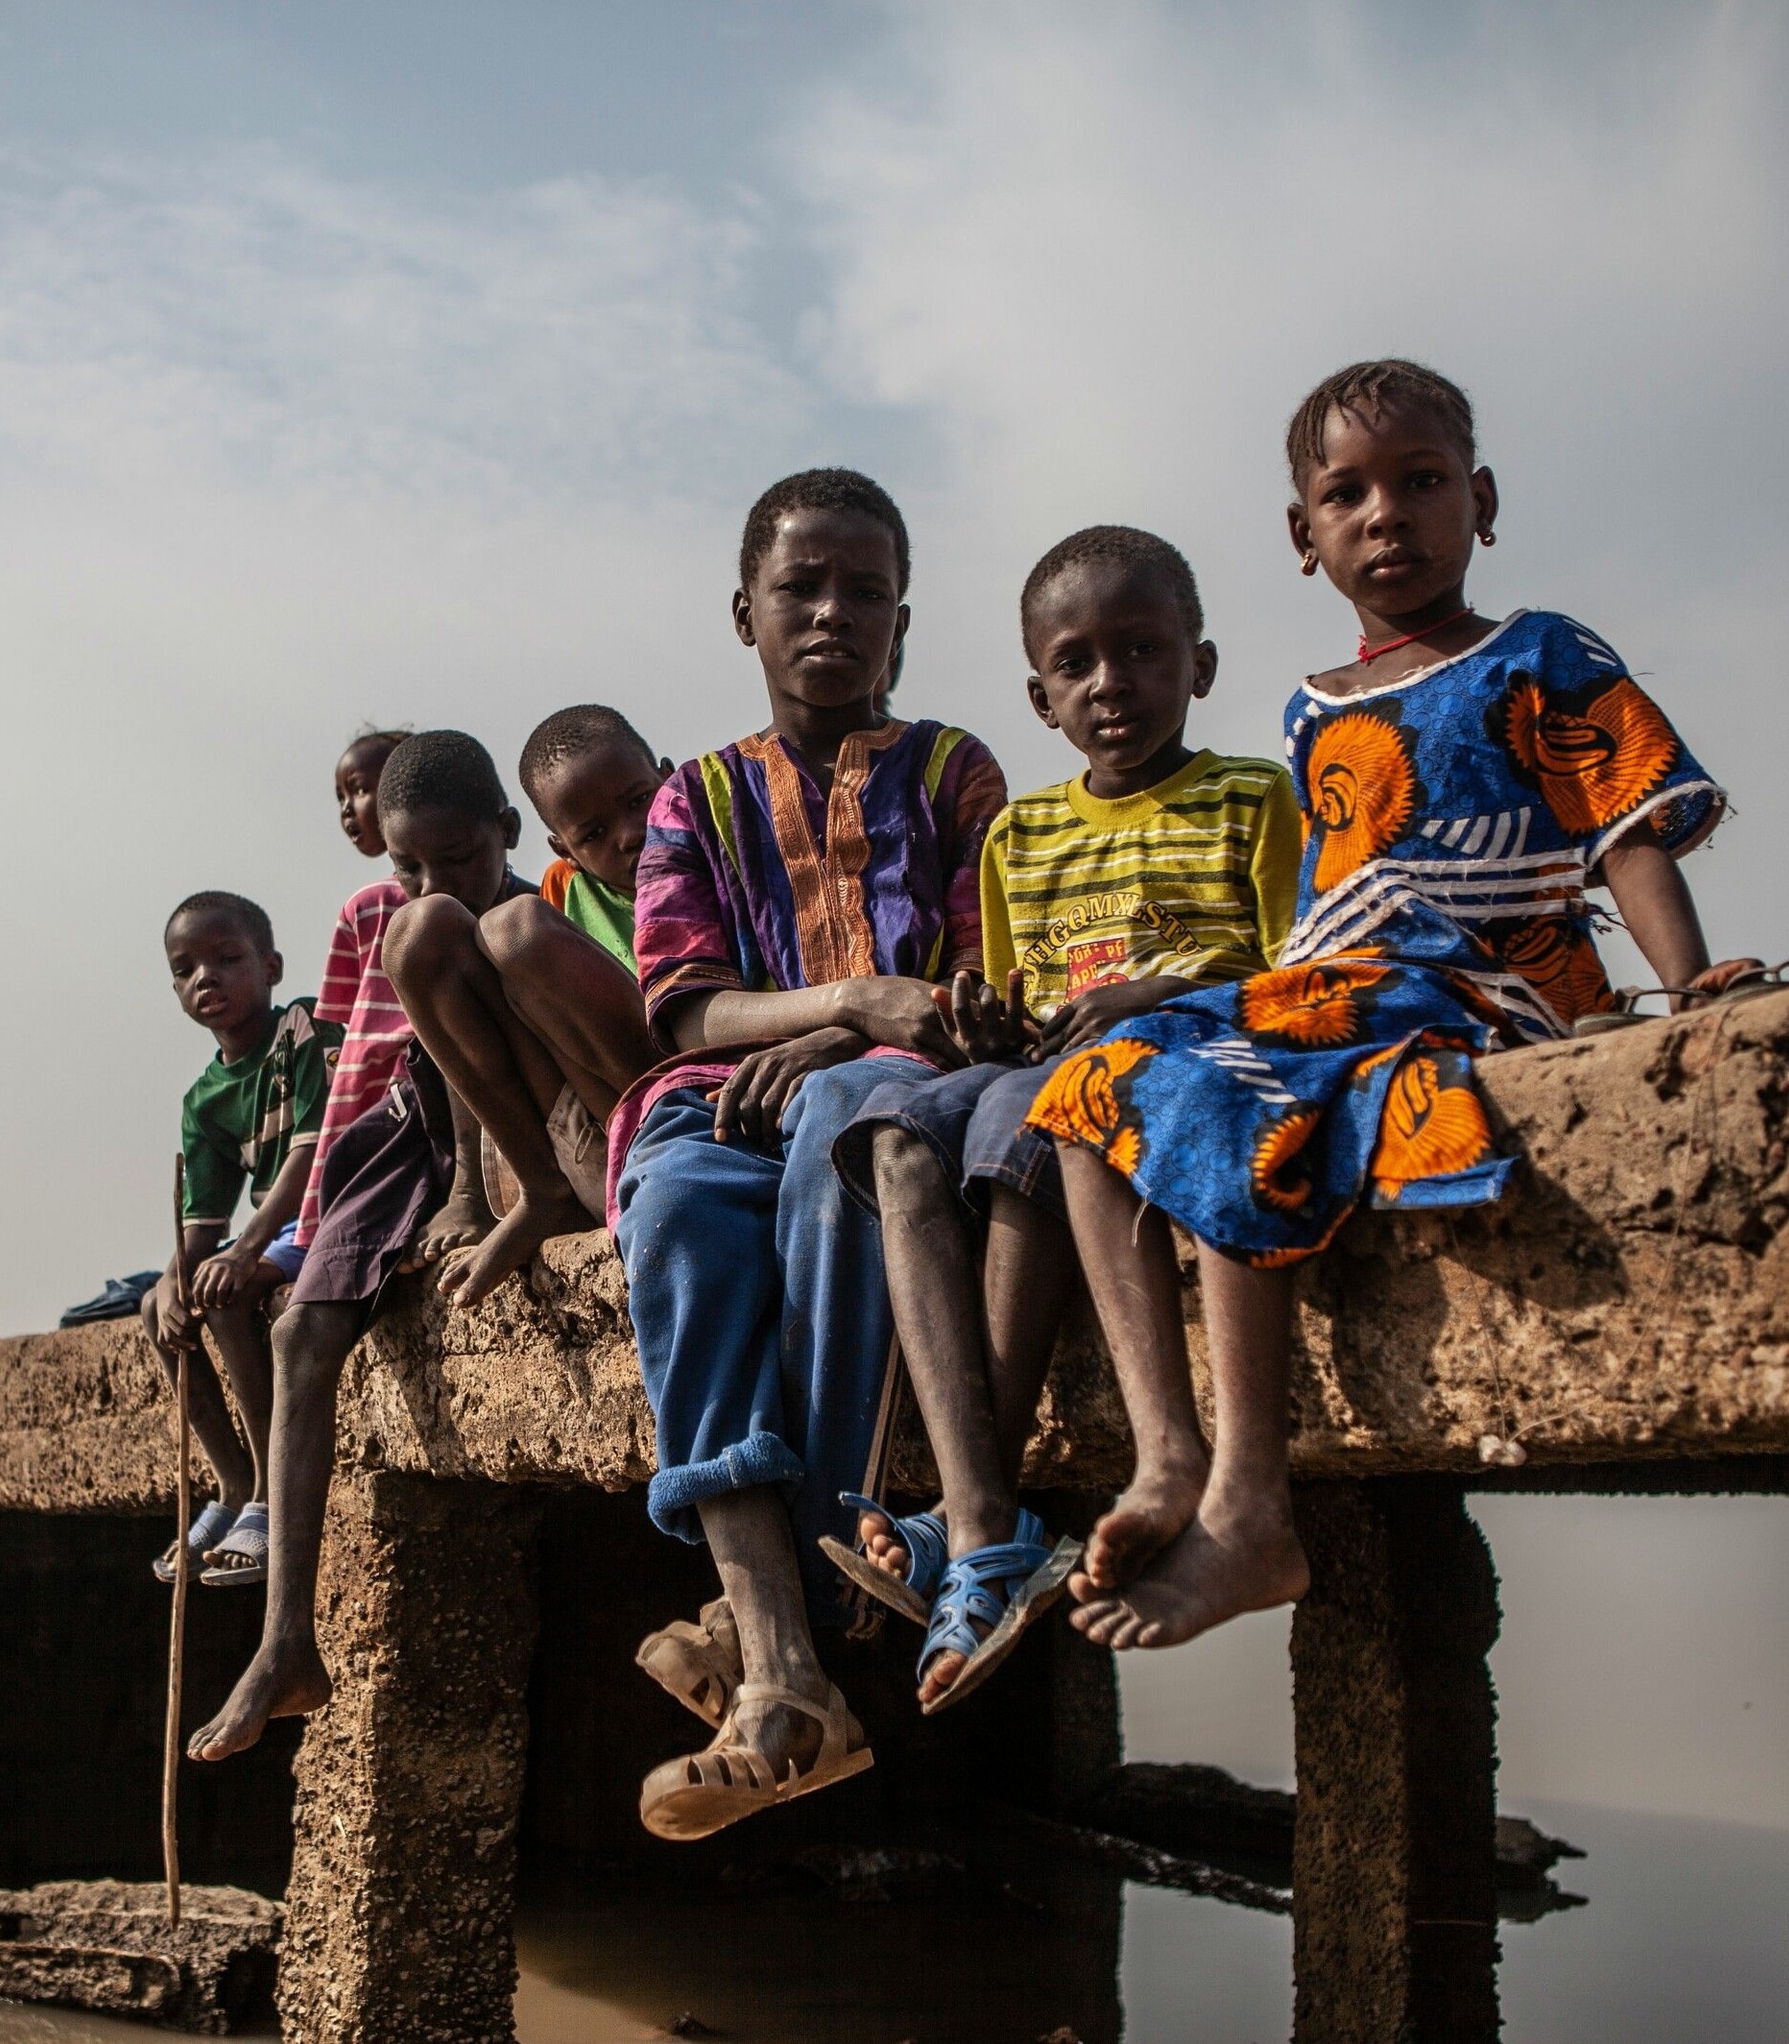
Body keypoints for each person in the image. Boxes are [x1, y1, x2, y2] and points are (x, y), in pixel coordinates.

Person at [1029, 359, 1751, 1654]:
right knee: (1091, 1084)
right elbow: (1327, 906)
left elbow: (1630, 824)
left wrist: (1689, 986)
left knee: (1254, 1095)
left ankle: (1254, 1504)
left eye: (1420, 483)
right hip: (1335, 983)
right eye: (1346, 493)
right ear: (1304, 538)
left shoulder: (1540, 652)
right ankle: (1169, 1453)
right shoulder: (1316, 709)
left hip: (1480, 982)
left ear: (1478, 499)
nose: (1386, 515)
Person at [827, 525, 1302, 1712]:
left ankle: (973, 1521)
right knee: (891, 1126)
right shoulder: (1021, 835)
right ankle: (965, 1497)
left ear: (1198, 664)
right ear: (1040, 697)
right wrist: (990, 1021)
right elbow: (1018, 990)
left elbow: (1304, 972)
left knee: (1014, 1129)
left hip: (1160, 1061)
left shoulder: (1253, 796)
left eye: (1141, 651)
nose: (1112, 685)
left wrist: (1159, 989)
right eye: (1078, 665)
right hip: (1038, 1068)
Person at [610, 467, 1009, 1841]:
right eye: (802, 585)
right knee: (670, 1201)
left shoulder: (954, 770)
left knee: (847, 1140)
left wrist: (860, 1040)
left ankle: (799, 1620)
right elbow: (686, 1004)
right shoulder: (694, 797)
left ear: (903, 618)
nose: (834, 611)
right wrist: (843, 1000)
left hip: (899, 1080)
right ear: (746, 612)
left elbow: (969, 982)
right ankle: (785, 1659)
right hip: (736, 1085)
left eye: (865, 589)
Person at [187, 730, 536, 1762]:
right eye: (407, 868)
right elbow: (353, 1077)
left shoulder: (528, 914)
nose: (430, 887)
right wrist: (313, 1218)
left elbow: (494, 1066)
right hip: (402, 1123)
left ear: (506, 835)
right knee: (300, 1334)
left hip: (502, 1115)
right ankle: (284, 1641)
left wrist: (472, 1196)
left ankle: (284, 1641)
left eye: (456, 861)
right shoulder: (383, 920)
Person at [381, 704, 666, 1309]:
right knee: (416, 933)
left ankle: (656, 1156)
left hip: (680, 1115)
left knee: (516, 929)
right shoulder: (569, 890)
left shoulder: (718, 858)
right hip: (590, 1141)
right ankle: (544, 1191)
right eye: (591, 833)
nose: (629, 835)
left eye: (641, 801)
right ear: (562, 844)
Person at [140, 891, 341, 1587]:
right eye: (186, 968)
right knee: (157, 1304)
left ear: (271, 965)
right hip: (270, 1229)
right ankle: (227, 1484)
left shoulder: (305, 1030)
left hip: (329, 1208)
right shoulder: (204, 1099)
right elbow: (200, 1225)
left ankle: (266, 1486)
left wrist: (247, 1249)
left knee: (228, 1293)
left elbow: (310, 1155)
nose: (207, 978)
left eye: (227, 959)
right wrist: (170, 1283)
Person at [295, 726, 417, 1248]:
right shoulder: (361, 909)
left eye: (361, 788)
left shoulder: (394, 902)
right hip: (365, 1097)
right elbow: (347, 1030)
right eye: (341, 796)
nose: (349, 808)